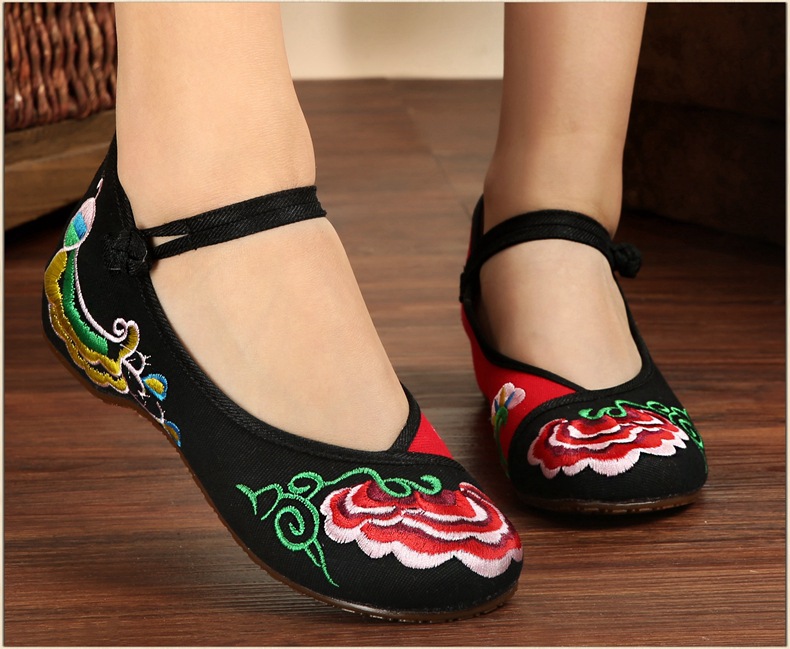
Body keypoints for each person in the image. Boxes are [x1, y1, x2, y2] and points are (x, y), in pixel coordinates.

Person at [42, 2, 706, 621]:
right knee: (216, 138)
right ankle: (207, 196)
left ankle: (553, 202)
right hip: (158, 239)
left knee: (561, 173)